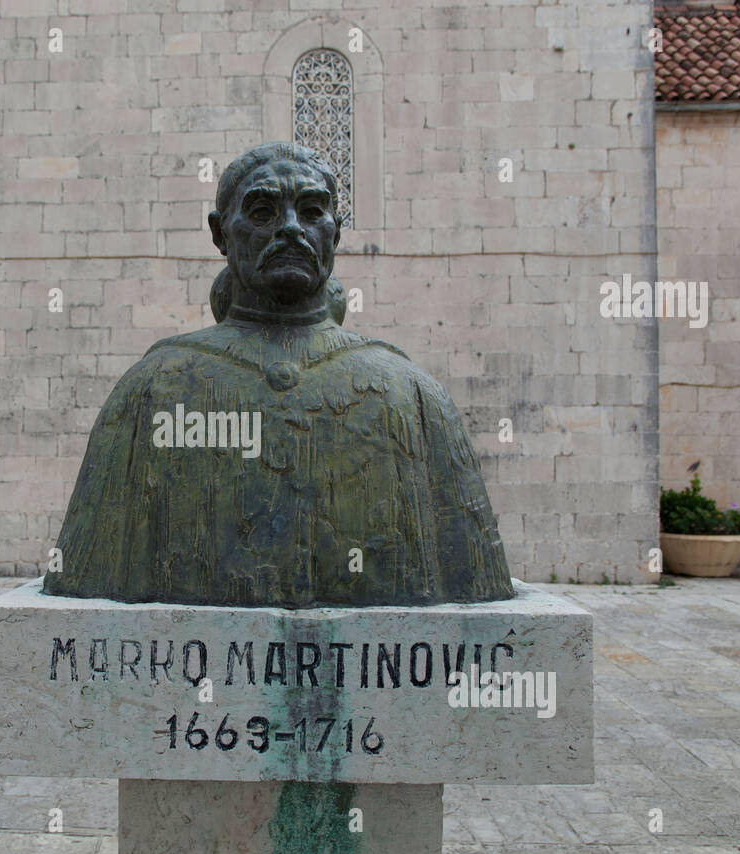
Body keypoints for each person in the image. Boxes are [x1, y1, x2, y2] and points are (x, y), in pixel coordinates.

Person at [43, 142, 513, 607]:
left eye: (310, 211)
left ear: (336, 232)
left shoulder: (414, 395)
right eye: (264, 211)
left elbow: (477, 577)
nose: (291, 229)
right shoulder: (149, 389)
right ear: (220, 234)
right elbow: (83, 574)